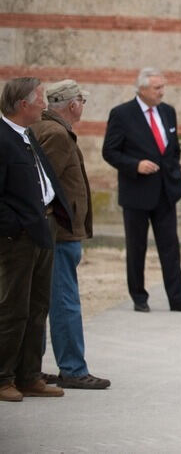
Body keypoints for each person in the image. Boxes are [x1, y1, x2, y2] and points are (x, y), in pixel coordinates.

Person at [30, 80, 110, 390]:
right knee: (64, 302)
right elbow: (42, 185)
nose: (83, 106)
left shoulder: (51, 130)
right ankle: (73, 369)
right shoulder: (55, 133)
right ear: (72, 104)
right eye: (82, 101)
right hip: (59, 233)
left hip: (60, 231)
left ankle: (34, 370)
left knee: (51, 301)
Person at [102, 68, 181, 314]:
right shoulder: (122, 114)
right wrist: (135, 165)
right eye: (157, 88)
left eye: (162, 87)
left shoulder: (168, 111)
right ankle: (139, 296)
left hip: (165, 191)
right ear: (142, 89)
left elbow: (173, 149)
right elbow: (109, 151)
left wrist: (174, 172)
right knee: (137, 248)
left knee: (171, 247)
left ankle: (178, 299)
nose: (161, 92)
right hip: (136, 192)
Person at [1, 77, 71, 402]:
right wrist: (15, 227)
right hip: (18, 238)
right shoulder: (3, 138)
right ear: (23, 105)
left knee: (38, 306)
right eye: (41, 99)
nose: (45, 104)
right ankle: (3, 378)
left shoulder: (27, 134)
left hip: (43, 230)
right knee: (13, 308)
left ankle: (29, 375)